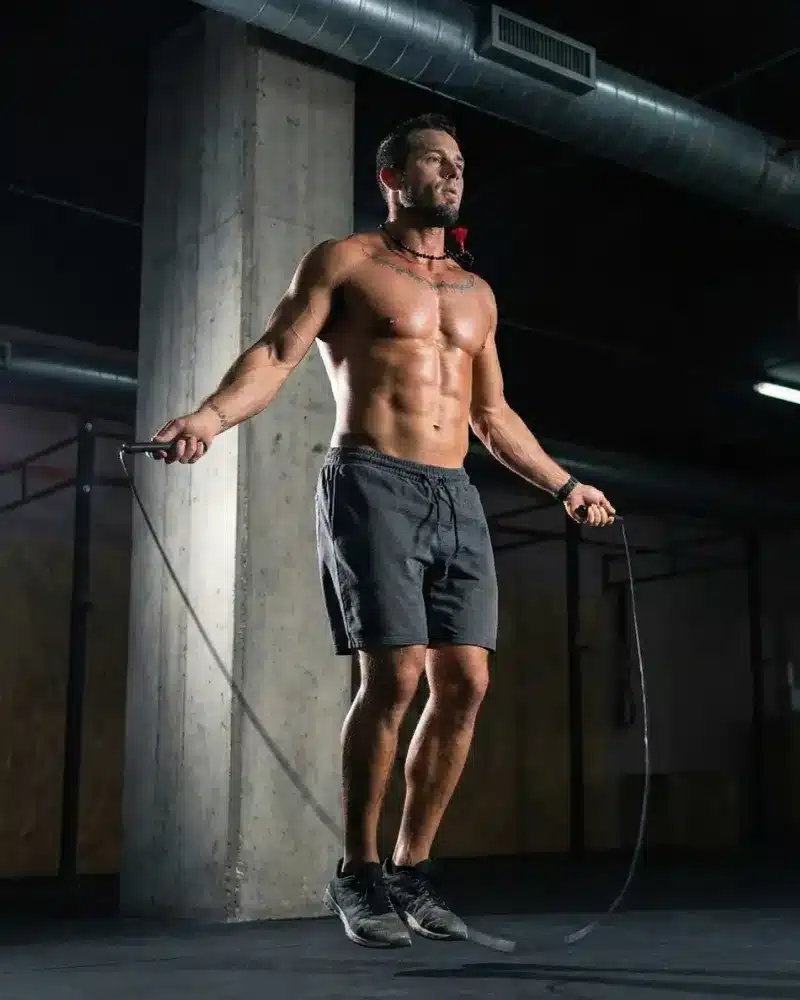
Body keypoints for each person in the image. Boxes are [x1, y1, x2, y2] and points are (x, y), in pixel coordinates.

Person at [151, 112, 616, 949]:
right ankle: (358, 872)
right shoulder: (347, 263)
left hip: (455, 493)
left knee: (465, 681)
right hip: (371, 480)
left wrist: (566, 485)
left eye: (460, 162)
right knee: (395, 676)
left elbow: (491, 412)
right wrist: (210, 418)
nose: (453, 172)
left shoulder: (478, 294)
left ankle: (410, 869)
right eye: (434, 160)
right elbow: (277, 351)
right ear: (392, 178)